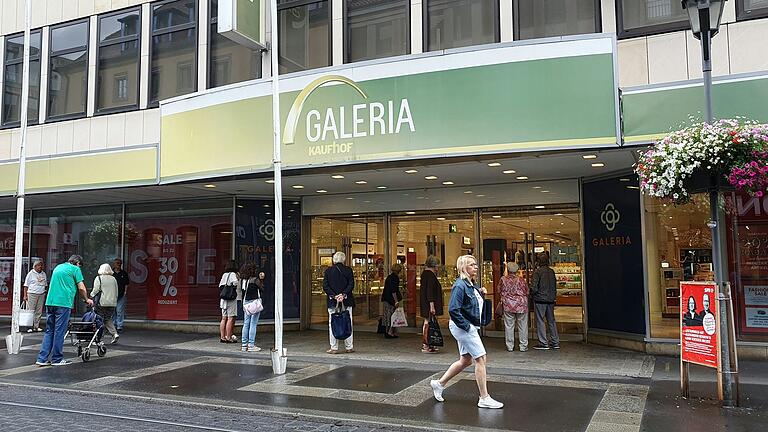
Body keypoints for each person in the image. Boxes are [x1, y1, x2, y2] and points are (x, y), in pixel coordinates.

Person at [429, 255, 504, 409]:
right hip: (463, 327)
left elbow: (471, 304)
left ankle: (439, 383)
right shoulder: (460, 286)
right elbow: (453, 310)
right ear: (464, 268)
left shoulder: (471, 285)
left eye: (476, 264)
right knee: (481, 359)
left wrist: (481, 293)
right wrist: (467, 326)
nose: (475, 267)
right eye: (472, 265)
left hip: (467, 326)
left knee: (466, 360)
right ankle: (484, 397)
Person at [36, 255, 94, 366]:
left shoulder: (58, 267)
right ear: (77, 263)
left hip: (50, 302)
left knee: (49, 330)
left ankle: (42, 358)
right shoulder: (75, 269)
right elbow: (81, 287)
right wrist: (86, 299)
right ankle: (57, 359)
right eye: (80, 266)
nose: (80, 268)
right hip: (63, 303)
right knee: (59, 331)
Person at [323, 251, 355, 354]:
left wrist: (334, 296)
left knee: (332, 323)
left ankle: (334, 347)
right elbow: (351, 284)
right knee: (348, 321)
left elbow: (325, 286)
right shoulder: (348, 270)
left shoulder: (328, 271)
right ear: (344, 259)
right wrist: (343, 294)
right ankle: (349, 346)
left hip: (333, 301)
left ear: (334, 260)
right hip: (346, 300)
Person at [499, 262, 529, 352]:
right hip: (521, 305)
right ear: (516, 270)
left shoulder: (503, 279)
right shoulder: (521, 280)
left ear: (507, 269)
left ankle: (510, 346)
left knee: (509, 325)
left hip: (508, 304)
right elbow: (526, 291)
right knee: (523, 325)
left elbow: (498, 290)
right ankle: (523, 346)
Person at [531, 253, 559, 350]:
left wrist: (532, 294)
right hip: (550, 299)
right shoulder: (551, 272)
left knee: (540, 321)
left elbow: (534, 287)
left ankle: (543, 342)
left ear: (538, 262)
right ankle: (555, 341)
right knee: (551, 321)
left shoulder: (537, 272)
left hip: (540, 300)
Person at [90, 263, 120, 344]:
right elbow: (116, 292)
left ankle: (100, 339)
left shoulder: (99, 278)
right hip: (112, 303)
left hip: (101, 303)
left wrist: (90, 296)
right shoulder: (113, 279)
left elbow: (95, 290)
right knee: (107, 319)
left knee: (100, 320)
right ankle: (115, 333)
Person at [420, 255, 444, 353]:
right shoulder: (430, 275)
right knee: (428, 323)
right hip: (429, 304)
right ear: (434, 265)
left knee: (428, 323)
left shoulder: (425, 274)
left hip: (426, 303)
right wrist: (432, 305)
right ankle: (426, 344)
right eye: (437, 265)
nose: (438, 267)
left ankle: (430, 343)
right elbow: (430, 291)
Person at [240, 263, 263, 352]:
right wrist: (261, 280)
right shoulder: (254, 280)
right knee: (253, 323)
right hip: (254, 303)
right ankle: (251, 345)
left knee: (246, 323)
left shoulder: (243, 280)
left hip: (246, 303)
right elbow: (261, 289)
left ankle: (244, 344)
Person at [23, 260, 47, 332]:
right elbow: (26, 285)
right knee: (30, 311)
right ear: (35, 266)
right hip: (32, 294)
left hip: (41, 294)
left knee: (38, 311)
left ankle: (36, 326)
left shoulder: (43, 274)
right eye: (39, 265)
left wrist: (44, 292)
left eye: (41, 265)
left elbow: (45, 284)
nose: (40, 267)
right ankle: (29, 327)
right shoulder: (31, 274)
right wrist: (25, 296)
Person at [218, 261, 239, 343]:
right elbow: (235, 282)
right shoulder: (233, 274)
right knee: (230, 318)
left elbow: (220, 285)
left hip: (223, 299)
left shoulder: (224, 275)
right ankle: (229, 337)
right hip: (231, 299)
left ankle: (222, 336)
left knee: (223, 318)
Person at [381, 264, 403, 339]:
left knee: (388, 316)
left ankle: (389, 331)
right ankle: (390, 332)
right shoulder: (395, 278)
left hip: (386, 299)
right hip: (390, 300)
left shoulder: (389, 277)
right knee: (392, 316)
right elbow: (393, 291)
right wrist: (396, 301)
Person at [112, 258, 129, 332]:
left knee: (119, 310)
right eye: (117, 263)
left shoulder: (124, 273)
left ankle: (119, 325)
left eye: (119, 263)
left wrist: (125, 292)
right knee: (113, 311)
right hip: (112, 295)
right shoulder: (111, 273)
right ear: (114, 264)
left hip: (121, 295)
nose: (118, 265)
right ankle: (113, 325)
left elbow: (126, 284)